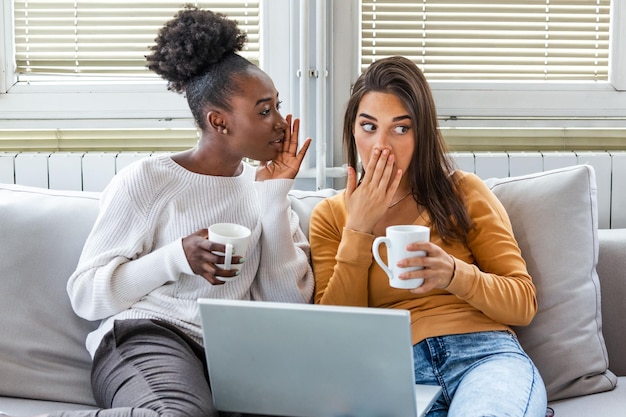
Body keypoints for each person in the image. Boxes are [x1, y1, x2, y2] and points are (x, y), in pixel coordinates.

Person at [14, 6, 314, 417]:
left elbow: (290, 309)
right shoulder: (149, 181)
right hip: (147, 338)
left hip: (230, 357)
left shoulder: (265, 193)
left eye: (278, 106)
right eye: (264, 111)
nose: (281, 123)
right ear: (218, 121)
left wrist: (275, 197)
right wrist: (177, 257)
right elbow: (85, 295)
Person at [309, 55, 549, 417]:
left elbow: (522, 302)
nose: (382, 145)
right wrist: (357, 230)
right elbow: (333, 335)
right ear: (352, 130)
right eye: (369, 126)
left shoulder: (463, 191)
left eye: (401, 128)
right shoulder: (329, 216)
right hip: (393, 373)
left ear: (422, 132)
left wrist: (454, 274)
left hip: (483, 356)